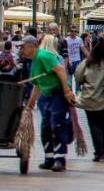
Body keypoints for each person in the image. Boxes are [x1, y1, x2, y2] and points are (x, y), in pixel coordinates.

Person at [21, 34, 77, 172]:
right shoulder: (34, 60)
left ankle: (60, 159)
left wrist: (66, 91)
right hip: (46, 96)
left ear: (31, 46)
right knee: (46, 126)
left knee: (57, 124)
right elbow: (37, 85)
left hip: (57, 93)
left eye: (23, 47)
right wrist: (30, 104)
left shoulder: (43, 55)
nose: (21, 50)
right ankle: (49, 158)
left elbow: (61, 70)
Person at [74, 39, 104, 162]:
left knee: (94, 125)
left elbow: (78, 77)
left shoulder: (86, 63)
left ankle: (98, 152)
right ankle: (102, 151)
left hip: (90, 99)